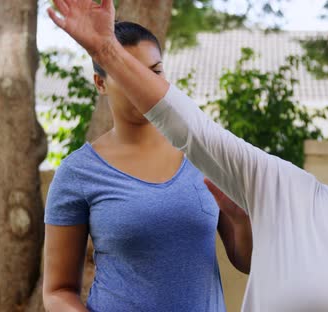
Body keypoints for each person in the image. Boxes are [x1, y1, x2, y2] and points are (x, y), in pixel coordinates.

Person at [47, 1, 328, 311]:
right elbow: (192, 127)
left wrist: (239, 224)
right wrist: (106, 49)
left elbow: (242, 256)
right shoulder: (289, 192)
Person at [42, 21, 252, 312]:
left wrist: (242, 222)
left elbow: (247, 262)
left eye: (154, 72)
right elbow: (57, 291)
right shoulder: (78, 173)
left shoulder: (204, 153)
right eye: (127, 74)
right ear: (100, 83)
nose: (145, 84)